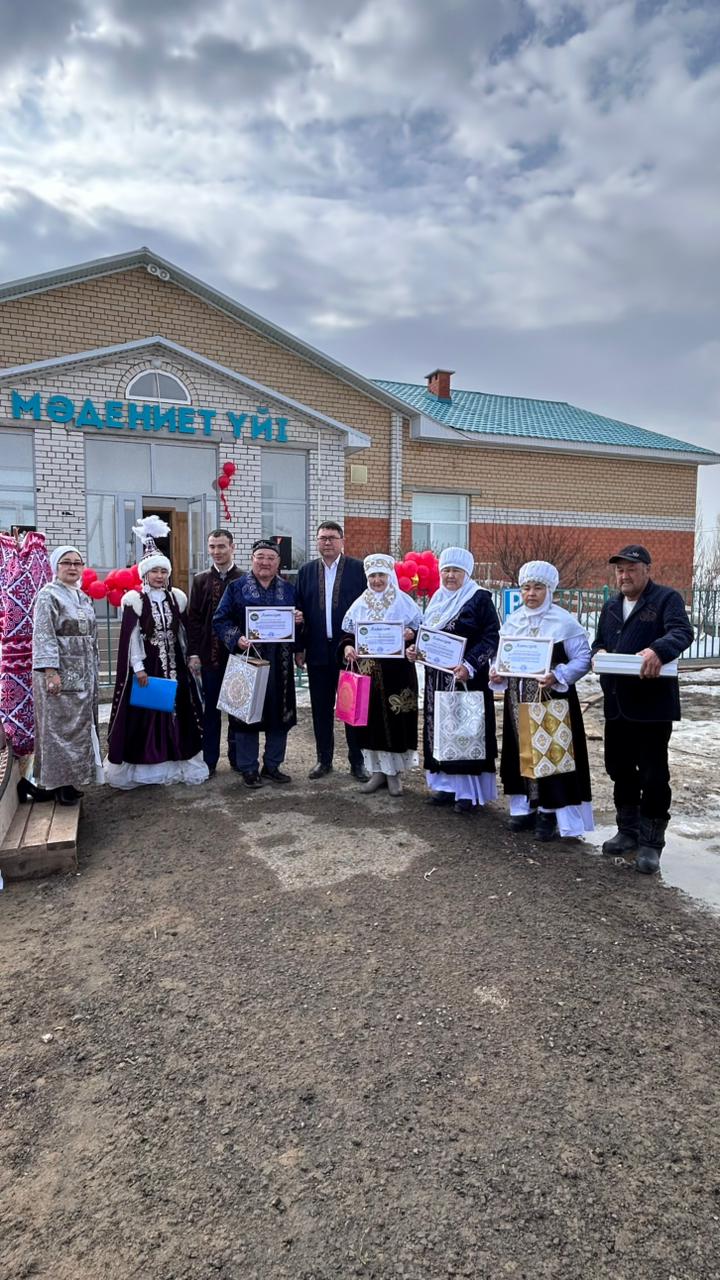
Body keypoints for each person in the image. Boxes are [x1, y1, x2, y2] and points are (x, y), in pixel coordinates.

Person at [592, 544, 694, 873]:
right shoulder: (611, 606)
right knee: (619, 768)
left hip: (652, 706)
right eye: (620, 570)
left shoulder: (665, 599)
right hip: (617, 704)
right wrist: (599, 652)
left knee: (653, 774)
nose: (624, 575)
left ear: (647, 570)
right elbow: (599, 641)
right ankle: (628, 830)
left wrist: (658, 650)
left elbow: (682, 632)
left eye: (631, 569)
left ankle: (651, 842)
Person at [490, 560, 593, 841]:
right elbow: (502, 656)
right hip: (518, 698)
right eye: (526, 588)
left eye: (537, 588)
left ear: (549, 590)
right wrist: (497, 670)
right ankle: (524, 807)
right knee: (520, 749)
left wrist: (559, 674)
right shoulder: (514, 620)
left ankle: (549, 811)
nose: (531, 594)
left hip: (551, 698)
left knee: (551, 754)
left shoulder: (564, 622)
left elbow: (583, 658)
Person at [105, 517, 208, 788]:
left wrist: (190, 655)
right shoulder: (136, 600)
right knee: (151, 713)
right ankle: (150, 765)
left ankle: (177, 759)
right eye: (155, 571)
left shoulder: (176, 597)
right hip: (150, 665)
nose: (160, 576)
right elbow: (133, 638)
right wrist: (138, 667)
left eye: (164, 571)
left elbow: (184, 630)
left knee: (179, 711)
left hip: (176, 664)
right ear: (145, 574)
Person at [407, 547, 500, 814]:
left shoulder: (479, 598)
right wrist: (415, 650)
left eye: (456, 571)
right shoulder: (438, 598)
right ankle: (445, 785)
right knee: (441, 729)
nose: (450, 576)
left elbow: (492, 637)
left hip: (466, 678)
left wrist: (470, 664)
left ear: (466, 573)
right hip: (437, 677)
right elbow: (428, 635)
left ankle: (467, 792)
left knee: (464, 731)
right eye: (446, 570)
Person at [213, 539, 301, 787]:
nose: (265, 562)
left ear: (278, 562)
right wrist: (236, 638)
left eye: (270, 558)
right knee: (246, 717)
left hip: (281, 664)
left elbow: (299, 624)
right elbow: (220, 619)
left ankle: (272, 765)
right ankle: (249, 768)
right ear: (252, 559)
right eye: (260, 557)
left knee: (279, 716)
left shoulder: (289, 589)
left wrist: (298, 619)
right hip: (248, 660)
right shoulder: (236, 588)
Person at [339, 553, 421, 796]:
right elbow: (348, 634)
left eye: (381, 575)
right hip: (368, 675)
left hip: (398, 675)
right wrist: (347, 647)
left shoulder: (404, 603)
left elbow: (421, 633)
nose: (377, 580)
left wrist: (411, 635)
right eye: (372, 576)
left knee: (396, 722)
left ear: (390, 576)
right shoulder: (359, 604)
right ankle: (377, 772)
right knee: (370, 722)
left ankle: (394, 775)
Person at [295, 521, 368, 781]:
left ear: (342, 541)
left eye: (332, 538)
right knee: (320, 708)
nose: (327, 542)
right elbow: (298, 610)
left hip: (349, 651)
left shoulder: (358, 570)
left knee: (352, 708)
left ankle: (357, 762)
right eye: (323, 538)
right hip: (316, 649)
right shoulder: (306, 571)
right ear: (317, 541)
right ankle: (323, 760)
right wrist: (299, 648)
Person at [30, 545, 103, 805]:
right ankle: (56, 784)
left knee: (79, 729)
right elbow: (44, 634)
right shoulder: (48, 595)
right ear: (56, 566)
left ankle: (70, 781)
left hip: (83, 674)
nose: (72, 567)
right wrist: (51, 672)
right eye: (66, 562)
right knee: (58, 730)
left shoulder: (82, 597)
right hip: (58, 675)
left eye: (77, 563)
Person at [186, 528, 242, 775]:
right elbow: (194, 620)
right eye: (212, 547)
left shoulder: (244, 579)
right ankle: (209, 760)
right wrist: (194, 653)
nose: (216, 551)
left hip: (238, 657)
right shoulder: (200, 580)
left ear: (232, 547)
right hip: (209, 657)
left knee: (237, 709)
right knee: (210, 711)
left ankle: (238, 758)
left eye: (221, 546)